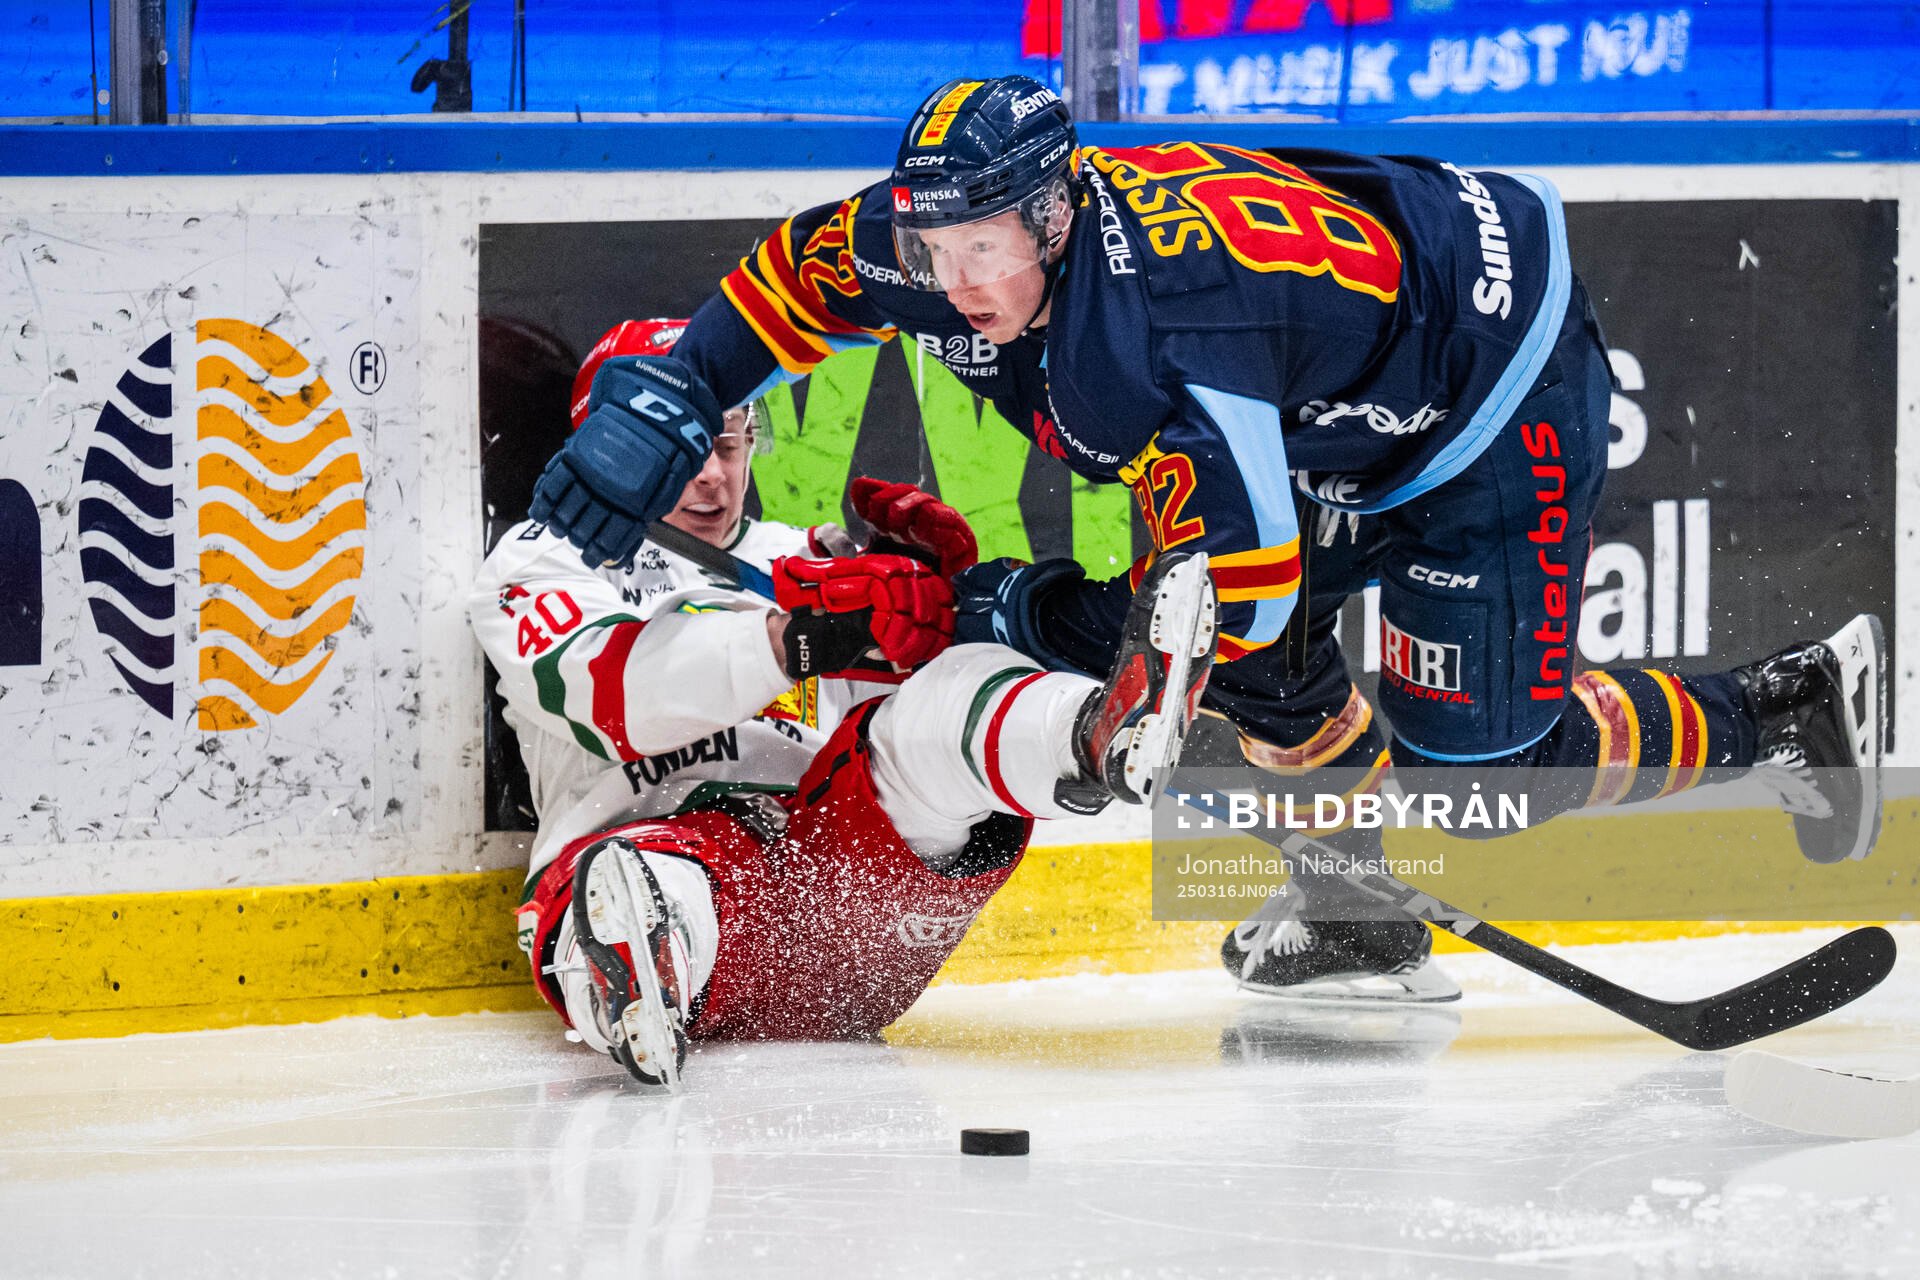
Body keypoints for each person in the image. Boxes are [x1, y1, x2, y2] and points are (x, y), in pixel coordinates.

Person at [524, 80, 1887, 1003]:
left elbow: (1247, 581)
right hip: (1324, 386)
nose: (953, 287)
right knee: (1256, 663)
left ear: (1056, 218)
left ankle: (1781, 713)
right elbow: (789, 279)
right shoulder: (949, 243)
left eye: (984, 251)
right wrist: (687, 386)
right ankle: (1361, 906)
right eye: (934, 251)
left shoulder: (1163, 329)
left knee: (1479, 753)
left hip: (1484, 383)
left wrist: (1075, 643)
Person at [472, 319, 1219, 1086]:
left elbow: (891, 726)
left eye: (727, 441)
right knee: (647, 880)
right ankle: (638, 966)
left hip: (842, 902)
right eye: (680, 447)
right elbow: (611, 696)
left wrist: (926, 621)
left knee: (938, 709)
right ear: (605, 446)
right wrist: (790, 639)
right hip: (662, 854)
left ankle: (1097, 734)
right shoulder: (538, 562)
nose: (711, 475)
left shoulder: (805, 557)